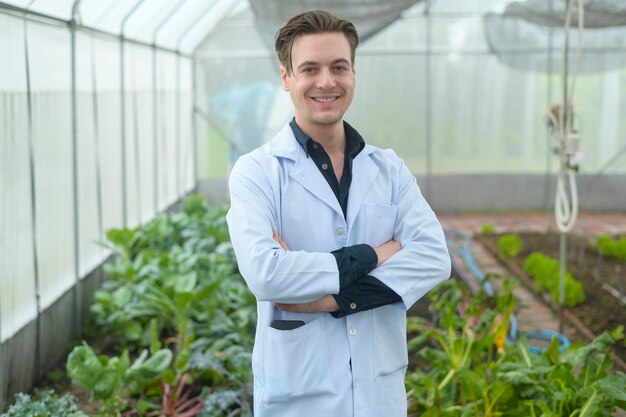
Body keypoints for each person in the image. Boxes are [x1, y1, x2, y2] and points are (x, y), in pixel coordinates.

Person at [226, 10, 451, 417]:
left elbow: (434, 257)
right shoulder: (258, 172)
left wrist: (334, 299)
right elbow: (267, 274)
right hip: (298, 397)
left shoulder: (388, 169)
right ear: (286, 78)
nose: (326, 81)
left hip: (378, 396)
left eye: (339, 67)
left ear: (354, 74)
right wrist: (374, 255)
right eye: (309, 68)